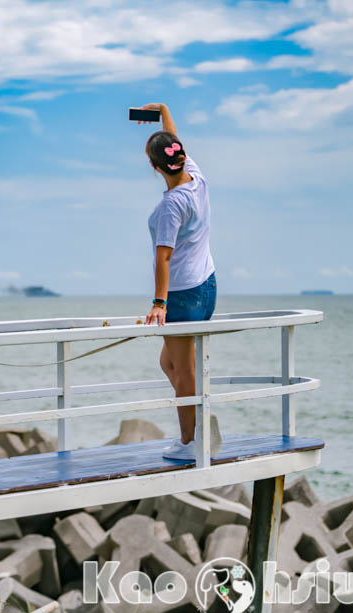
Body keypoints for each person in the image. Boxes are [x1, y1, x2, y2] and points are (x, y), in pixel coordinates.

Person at [135, 102, 220, 460]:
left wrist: (159, 303)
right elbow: (176, 142)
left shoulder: (172, 205)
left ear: (154, 167)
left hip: (183, 294)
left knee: (182, 370)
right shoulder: (196, 177)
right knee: (169, 364)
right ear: (181, 157)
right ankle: (201, 424)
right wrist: (165, 111)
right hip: (207, 286)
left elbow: (163, 256)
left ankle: (191, 442)